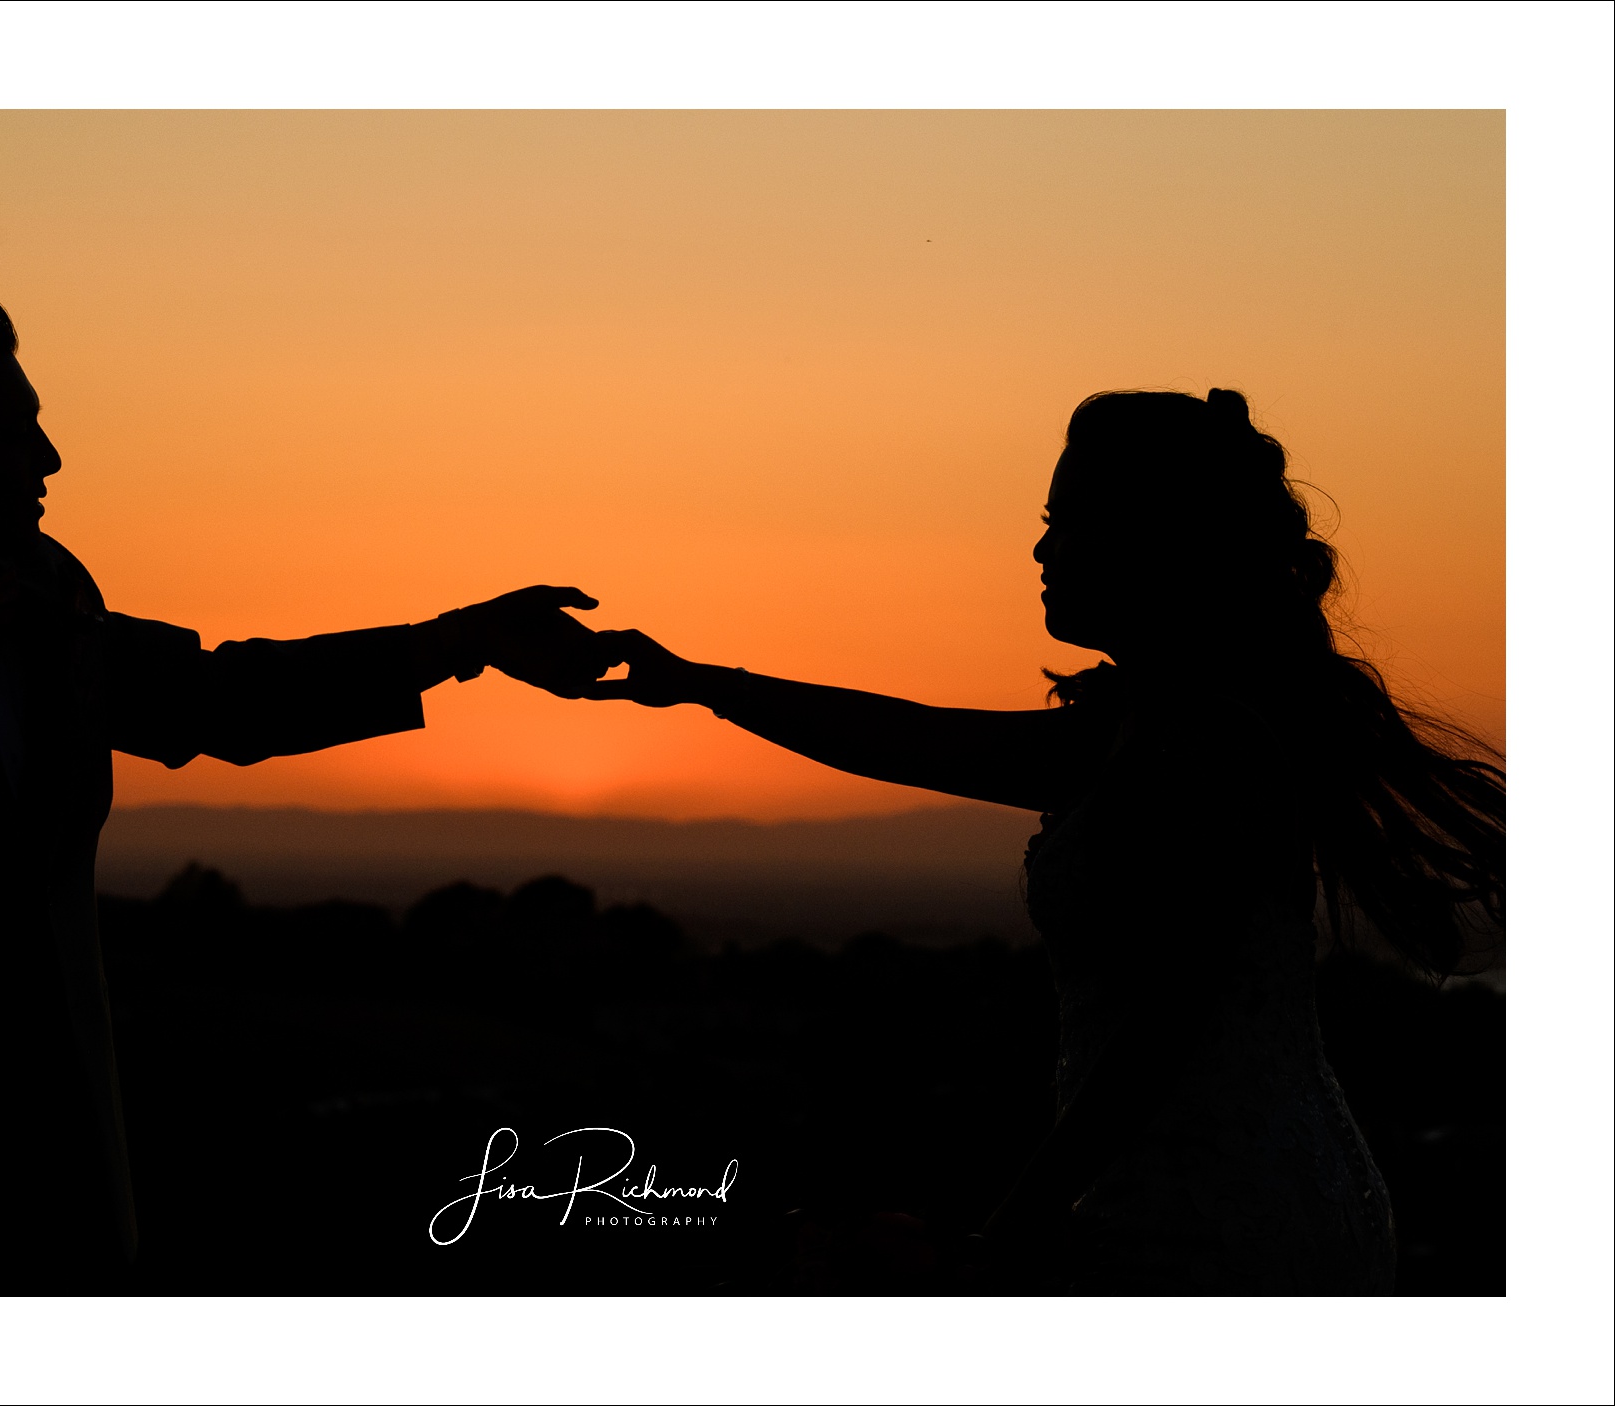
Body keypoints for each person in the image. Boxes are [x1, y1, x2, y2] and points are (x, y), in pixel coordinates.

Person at [0, 298, 608, 1291]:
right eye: (15, 425)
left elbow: (218, 697)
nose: (51, 457)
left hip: (60, 1188)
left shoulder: (50, 602)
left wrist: (460, 642)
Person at [587, 388, 1505, 1293]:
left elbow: (1166, 1030)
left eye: (1068, 522)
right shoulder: (1134, 731)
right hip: (1187, 1193)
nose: (1040, 547)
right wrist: (701, 682)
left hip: (1224, 1217)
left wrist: (1007, 1235)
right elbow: (913, 740)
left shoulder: (1212, 745)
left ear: (1160, 543)